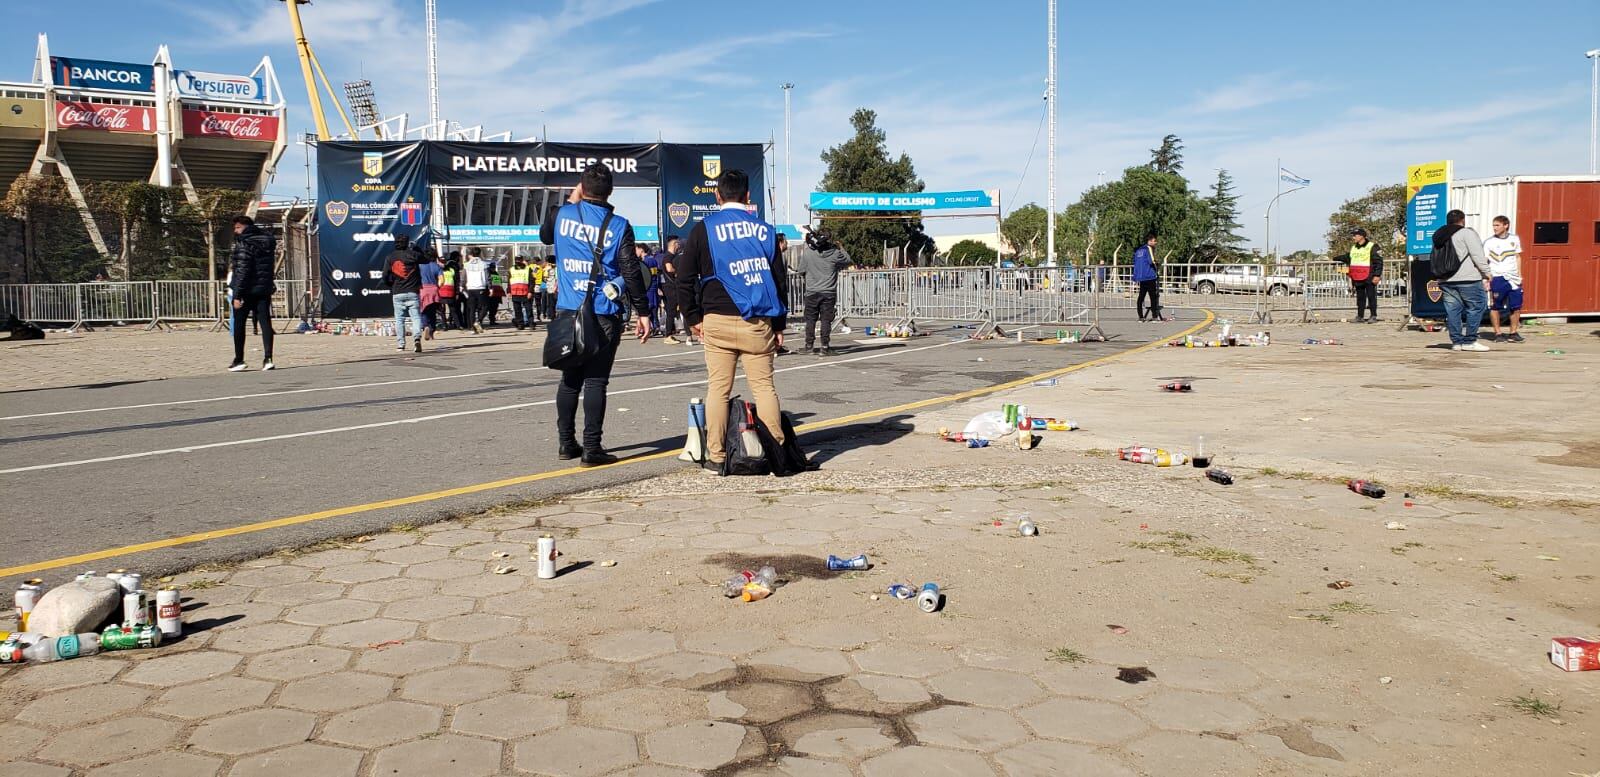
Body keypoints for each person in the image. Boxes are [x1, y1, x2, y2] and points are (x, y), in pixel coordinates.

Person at [677, 169, 789, 472]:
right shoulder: (765, 231)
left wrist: (692, 317)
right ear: (748, 196)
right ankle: (775, 449)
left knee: (718, 389)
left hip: (716, 319)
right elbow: (779, 281)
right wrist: (779, 325)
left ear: (717, 195)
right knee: (764, 388)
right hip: (757, 320)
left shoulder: (704, 229)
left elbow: (684, 278)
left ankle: (716, 455)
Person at [540, 164, 652, 466]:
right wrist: (643, 311)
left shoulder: (561, 215)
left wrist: (573, 198)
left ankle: (566, 443)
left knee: (569, 380)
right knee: (595, 381)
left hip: (567, 310)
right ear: (611, 191)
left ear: (581, 187)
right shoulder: (618, 225)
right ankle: (592, 448)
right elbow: (630, 269)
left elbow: (544, 236)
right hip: (603, 312)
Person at [1432, 209, 1492, 352]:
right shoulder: (1466, 233)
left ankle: (1457, 342)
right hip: (1467, 278)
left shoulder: (1438, 235)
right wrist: (1487, 273)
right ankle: (1470, 340)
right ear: (1463, 220)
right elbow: (1477, 255)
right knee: (1477, 306)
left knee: (1453, 310)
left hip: (1445, 279)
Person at [227, 215, 276, 371]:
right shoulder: (268, 241)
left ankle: (239, 359)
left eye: (237, 228)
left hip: (247, 290)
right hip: (263, 288)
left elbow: (242, 271)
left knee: (239, 324)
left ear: (244, 227)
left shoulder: (243, 244)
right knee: (265, 322)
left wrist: (237, 295)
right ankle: (268, 358)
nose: (235, 231)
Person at [797, 228, 852, 356]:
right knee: (826, 320)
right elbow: (848, 260)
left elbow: (801, 271)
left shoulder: (808, 253)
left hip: (811, 291)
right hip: (828, 292)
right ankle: (825, 347)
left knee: (810, 320)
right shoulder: (835, 253)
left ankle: (809, 345)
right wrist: (840, 247)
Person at [1484, 215, 1524, 343]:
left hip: (1513, 278)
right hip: (1497, 277)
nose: (1494, 228)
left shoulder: (1514, 239)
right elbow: (1484, 261)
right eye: (1493, 225)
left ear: (1505, 225)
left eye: (1497, 225)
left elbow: (1518, 257)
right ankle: (1498, 333)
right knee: (1495, 306)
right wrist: (1486, 278)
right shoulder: (1489, 242)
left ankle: (1513, 332)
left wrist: (1519, 274)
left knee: (1516, 306)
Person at [383, 235, 424, 353]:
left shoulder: (390, 257)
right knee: (415, 317)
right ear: (407, 243)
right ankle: (416, 338)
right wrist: (417, 248)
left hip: (397, 292)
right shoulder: (413, 255)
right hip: (412, 291)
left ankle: (401, 344)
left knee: (399, 319)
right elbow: (426, 259)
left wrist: (390, 284)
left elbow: (385, 275)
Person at [1334, 228, 1385, 323]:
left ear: (1361, 236)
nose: (1353, 237)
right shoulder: (1354, 247)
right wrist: (1335, 259)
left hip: (1369, 275)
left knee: (1371, 296)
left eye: (1355, 235)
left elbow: (1378, 262)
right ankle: (1360, 316)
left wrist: (1377, 275)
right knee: (1360, 297)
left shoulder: (1372, 246)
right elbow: (1348, 257)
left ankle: (1373, 315)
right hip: (1357, 276)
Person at [1133, 232, 1165, 322]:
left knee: (1141, 297)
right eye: (1154, 241)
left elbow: (1135, 263)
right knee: (1153, 297)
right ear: (1150, 241)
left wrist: (1135, 277)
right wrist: (1157, 265)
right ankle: (1154, 316)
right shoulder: (1149, 248)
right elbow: (1152, 261)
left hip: (1141, 277)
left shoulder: (1138, 250)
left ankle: (1140, 317)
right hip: (1149, 276)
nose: (1156, 243)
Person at [659, 235, 684, 343]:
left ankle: (670, 333)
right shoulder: (668, 256)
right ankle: (668, 335)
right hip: (671, 288)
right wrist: (678, 271)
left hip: (671, 287)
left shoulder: (670, 256)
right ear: (674, 245)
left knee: (671, 311)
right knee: (671, 311)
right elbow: (669, 268)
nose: (679, 246)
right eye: (678, 244)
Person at [462, 247, 490, 333]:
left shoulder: (466, 265)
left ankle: (472, 328)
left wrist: (462, 286)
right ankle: (478, 321)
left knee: (472, 309)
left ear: (471, 254)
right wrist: (490, 288)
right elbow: (487, 277)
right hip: (481, 287)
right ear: (480, 253)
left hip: (470, 288)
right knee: (485, 307)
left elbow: (463, 277)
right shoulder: (484, 264)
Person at [419, 248, 443, 340]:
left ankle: (425, 326)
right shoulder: (437, 266)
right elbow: (442, 280)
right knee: (432, 312)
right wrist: (438, 286)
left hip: (423, 290)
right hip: (434, 290)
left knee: (423, 311)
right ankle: (432, 331)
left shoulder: (420, 266)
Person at [509, 255, 536, 330]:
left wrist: (530, 291)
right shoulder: (511, 269)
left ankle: (531, 323)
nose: (518, 262)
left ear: (522, 260)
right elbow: (509, 281)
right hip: (515, 292)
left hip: (525, 292)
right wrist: (509, 291)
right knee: (517, 310)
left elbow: (532, 281)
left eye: (519, 260)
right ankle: (520, 324)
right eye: (516, 260)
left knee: (528, 309)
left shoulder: (528, 269)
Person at [439, 251, 463, 331]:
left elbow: (439, 281)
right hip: (450, 291)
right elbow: (457, 280)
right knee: (453, 309)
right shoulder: (453, 270)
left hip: (442, 291)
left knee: (442, 310)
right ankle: (458, 325)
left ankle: (444, 325)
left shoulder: (440, 271)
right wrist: (457, 292)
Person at [486, 262, 505, 326]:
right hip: (490, 294)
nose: (493, 268)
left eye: (494, 267)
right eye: (492, 267)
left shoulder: (496, 273)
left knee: (494, 308)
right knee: (490, 308)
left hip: (496, 294)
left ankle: (492, 320)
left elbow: (499, 283)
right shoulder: (488, 274)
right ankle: (491, 320)